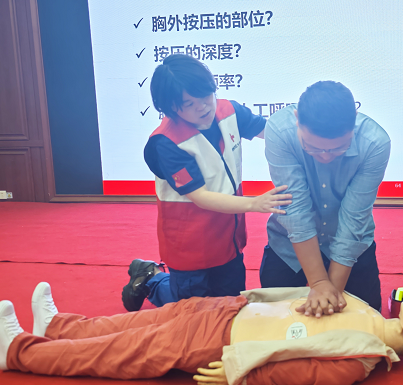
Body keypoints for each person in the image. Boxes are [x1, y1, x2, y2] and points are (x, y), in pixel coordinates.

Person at [0, 282, 403, 385]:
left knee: (116, 352)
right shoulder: (367, 307)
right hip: (229, 309)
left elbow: (297, 373)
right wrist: (255, 295)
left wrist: (241, 375)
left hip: (219, 343)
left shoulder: (361, 360)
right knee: (130, 325)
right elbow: (305, 294)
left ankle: (19, 352)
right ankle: (57, 327)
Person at [122, 54, 292, 311]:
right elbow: (199, 196)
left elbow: (270, 131)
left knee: (230, 307)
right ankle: (151, 280)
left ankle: (156, 280)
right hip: (191, 243)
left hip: (229, 237)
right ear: (170, 107)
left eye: (205, 96)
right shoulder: (166, 142)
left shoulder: (229, 111)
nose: (203, 107)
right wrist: (254, 203)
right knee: (195, 310)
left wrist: (308, 136)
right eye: (189, 103)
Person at [261, 81, 390, 317]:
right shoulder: (280, 130)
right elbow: (295, 210)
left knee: (366, 323)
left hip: (351, 251)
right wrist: (319, 283)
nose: (325, 156)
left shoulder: (375, 143)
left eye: (339, 148)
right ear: (297, 119)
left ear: (354, 122)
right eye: (312, 147)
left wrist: (330, 294)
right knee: (274, 322)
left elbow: (354, 217)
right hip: (289, 248)